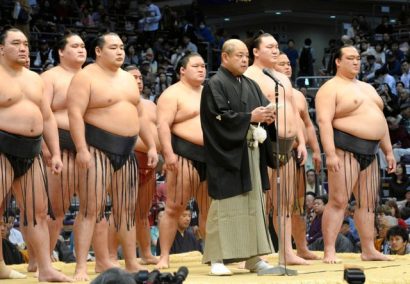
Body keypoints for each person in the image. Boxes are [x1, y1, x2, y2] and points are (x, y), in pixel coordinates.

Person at [67, 32, 158, 281]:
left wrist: (151, 145)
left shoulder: (129, 79)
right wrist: (82, 149)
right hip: (97, 148)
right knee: (90, 209)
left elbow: (140, 115)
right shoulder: (85, 77)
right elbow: (74, 114)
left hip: (127, 151)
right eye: (113, 47)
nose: (120, 52)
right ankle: (81, 267)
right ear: (98, 51)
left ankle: (130, 262)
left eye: (122, 47)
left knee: (126, 210)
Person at [0, 27, 71, 282]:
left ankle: (45, 269)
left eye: (26, 44)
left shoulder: (35, 79)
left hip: (31, 151)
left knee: (38, 212)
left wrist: (54, 153)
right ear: (1, 49)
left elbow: (48, 117)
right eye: (16, 43)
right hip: (2, 146)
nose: (23, 48)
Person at [41, 33, 114, 275]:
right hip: (59, 146)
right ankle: (44, 263)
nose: (81, 49)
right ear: (61, 51)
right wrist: (48, 151)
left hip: (92, 147)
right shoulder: (50, 78)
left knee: (96, 208)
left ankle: (102, 260)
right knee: (56, 209)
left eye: (83, 46)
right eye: (75, 46)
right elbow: (40, 114)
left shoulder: (97, 77)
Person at [315, 45, 396, 263]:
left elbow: (381, 121)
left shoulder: (368, 88)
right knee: (339, 201)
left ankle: (368, 249)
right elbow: (323, 122)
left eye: (358, 58)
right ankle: (329, 250)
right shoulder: (330, 88)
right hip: (345, 149)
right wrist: (329, 153)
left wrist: (388, 151)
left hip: (372, 151)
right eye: (350, 58)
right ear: (338, 62)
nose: (356, 62)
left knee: (368, 203)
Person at [201, 39, 275, 276]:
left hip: (251, 150)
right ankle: (216, 258)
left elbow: (261, 110)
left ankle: (254, 258)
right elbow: (216, 119)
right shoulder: (214, 84)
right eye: (239, 55)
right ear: (225, 57)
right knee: (224, 205)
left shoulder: (251, 84)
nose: (244, 60)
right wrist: (249, 117)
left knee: (253, 204)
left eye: (246, 56)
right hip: (227, 154)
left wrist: (268, 115)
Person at [244, 33, 308, 265]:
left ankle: (286, 252)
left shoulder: (282, 77)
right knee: (260, 202)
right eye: (269, 46)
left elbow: (293, 112)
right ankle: (254, 254)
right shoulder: (248, 76)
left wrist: (301, 140)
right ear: (256, 51)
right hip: (262, 144)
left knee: (285, 202)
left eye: (276, 46)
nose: (275, 50)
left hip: (287, 145)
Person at [156, 52, 209, 269]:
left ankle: (212, 254)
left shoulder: (209, 93)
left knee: (209, 209)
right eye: (196, 66)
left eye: (203, 66)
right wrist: (168, 154)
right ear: (182, 70)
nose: (201, 69)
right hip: (183, 155)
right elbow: (162, 126)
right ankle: (164, 256)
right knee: (174, 208)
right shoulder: (172, 94)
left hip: (210, 157)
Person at [108, 65, 160, 265]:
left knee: (143, 211)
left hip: (150, 161)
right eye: (133, 78)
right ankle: (111, 255)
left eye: (140, 78)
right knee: (120, 210)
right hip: (127, 159)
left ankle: (146, 253)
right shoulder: (117, 103)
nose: (138, 81)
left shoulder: (151, 105)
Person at [273, 52, 322, 260]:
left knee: (299, 205)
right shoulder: (268, 91)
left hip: (299, 154)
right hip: (276, 153)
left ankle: (301, 248)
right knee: (277, 204)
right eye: (281, 64)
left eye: (288, 64)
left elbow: (308, 125)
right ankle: (282, 251)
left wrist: (317, 150)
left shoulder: (299, 95)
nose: (287, 67)